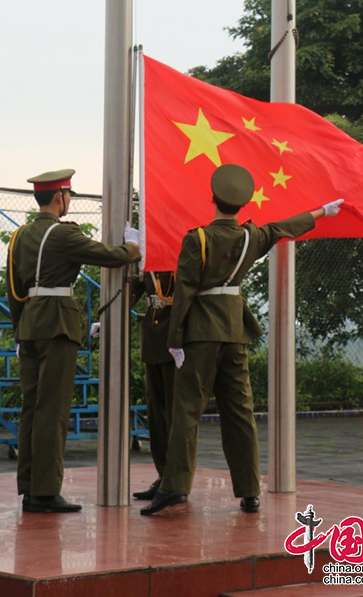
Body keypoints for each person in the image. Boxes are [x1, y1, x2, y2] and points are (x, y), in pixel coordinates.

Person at [141, 163, 343, 516]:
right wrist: (321, 212)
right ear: (242, 204)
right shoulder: (251, 237)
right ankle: (249, 491)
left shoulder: (197, 238)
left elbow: (185, 292)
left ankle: (174, 487)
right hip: (234, 332)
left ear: (213, 198)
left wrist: (175, 340)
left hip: (201, 333)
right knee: (240, 412)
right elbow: (284, 228)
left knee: (187, 411)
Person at [7, 168, 141, 514]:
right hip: (57, 323)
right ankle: (46, 492)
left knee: (31, 409)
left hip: (29, 323)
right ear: (59, 197)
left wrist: (19, 329)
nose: (68, 202)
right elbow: (110, 257)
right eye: (68, 196)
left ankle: (29, 487)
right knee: (53, 410)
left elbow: (15, 290)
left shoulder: (20, 236)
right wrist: (132, 246)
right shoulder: (64, 234)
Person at [130, 271, 176, 501]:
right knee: (156, 412)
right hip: (153, 335)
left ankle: (176, 479)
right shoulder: (147, 253)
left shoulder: (185, 244)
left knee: (175, 412)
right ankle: (163, 475)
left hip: (177, 333)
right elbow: (135, 287)